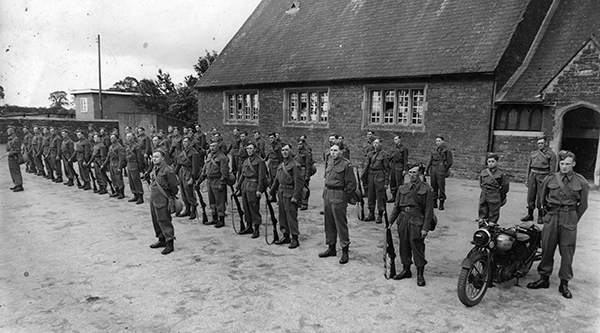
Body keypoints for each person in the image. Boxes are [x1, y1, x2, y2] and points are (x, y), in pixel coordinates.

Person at [527, 151, 589, 299]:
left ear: (573, 164)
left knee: (567, 251)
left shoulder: (581, 182)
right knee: (547, 247)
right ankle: (544, 278)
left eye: (567, 164)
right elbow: (541, 200)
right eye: (562, 164)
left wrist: (573, 219)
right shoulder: (550, 179)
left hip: (569, 217)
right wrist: (546, 216)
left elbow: (583, 205)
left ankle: (564, 282)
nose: (564, 167)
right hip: (552, 216)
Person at [388, 163, 434, 286]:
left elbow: (429, 211)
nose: (412, 175)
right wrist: (390, 222)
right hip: (403, 219)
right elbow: (396, 206)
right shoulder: (403, 188)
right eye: (410, 172)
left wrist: (425, 228)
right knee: (404, 244)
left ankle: (420, 274)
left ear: (420, 174)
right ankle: (406, 269)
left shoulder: (426, 189)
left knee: (417, 247)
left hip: (417, 220)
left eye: (415, 172)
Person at [319, 144, 357, 264]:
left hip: (339, 195)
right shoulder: (330, 162)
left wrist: (344, 196)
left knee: (340, 224)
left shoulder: (346, 164)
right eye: (331, 150)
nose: (332, 153)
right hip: (328, 194)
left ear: (341, 152)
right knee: (328, 222)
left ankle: (345, 250)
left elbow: (351, 184)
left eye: (335, 150)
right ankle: (331, 247)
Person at [269, 143, 303, 248]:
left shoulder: (295, 165)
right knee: (282, 215)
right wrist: (271, 192)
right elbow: (276, 180)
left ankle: (295, 238)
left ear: (290, 151)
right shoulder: (281, 165)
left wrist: (296, 197)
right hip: (281, 193)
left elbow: (299, 183)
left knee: (291, 216)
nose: (284, 152)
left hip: (290, 193)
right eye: (283, 150)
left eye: (287, 150)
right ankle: (285, 235)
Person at [148, 150, 179, 255]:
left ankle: (170, 243)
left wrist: (170, 197)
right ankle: (161, 239)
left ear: (163, 158)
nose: (154, 159)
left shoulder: (167, 170)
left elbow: (174, 186)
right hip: (154, 198)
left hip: (162, 199)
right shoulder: (155, 168)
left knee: (164, 220)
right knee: (156, 220)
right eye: (153, 157)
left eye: (157, 157)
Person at [235, 142, 268, 238]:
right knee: (245, 207)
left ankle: (256, 228)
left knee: (253, 207)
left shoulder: (259, 161)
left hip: (254, 185)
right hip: (245, 185)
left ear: (255, 149)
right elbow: (242, 175)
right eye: (247, 149)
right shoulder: (246, 161)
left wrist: (259, 190)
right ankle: (249, 226)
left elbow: (262, 177)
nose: (248, 150)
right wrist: (238, 187)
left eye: (250, 148)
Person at [522, 137, 557, 224]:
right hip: (533, 175)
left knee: (541, 196)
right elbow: (528, 167)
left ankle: (541, 216)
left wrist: (550, 181)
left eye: (542, 143)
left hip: (543, 175)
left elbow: (552, 170)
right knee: (531, 195)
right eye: (539, 143)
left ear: (546, 144)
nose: (540, 145)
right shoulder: (533, 153)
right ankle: (530, 214)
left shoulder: (551, 155)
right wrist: (527, 179)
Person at [199, 140, 230, 228]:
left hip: (217, 180)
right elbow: (205, 170)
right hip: (210, 181)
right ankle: (214, 218)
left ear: (218, 147)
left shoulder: (222, 158)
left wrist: (222, 183)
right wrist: (199, 181)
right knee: (212, 200)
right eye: (211, 146)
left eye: (214, 146)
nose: (212, 148)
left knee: (219, 201)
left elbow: (224, 172)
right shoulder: (209, 156)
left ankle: (221, 219)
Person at [363, 138, 390, 223]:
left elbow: (387, 169)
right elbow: (366, 166)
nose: (375, 145)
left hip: (380, 175)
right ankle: (371, 214)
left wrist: (386, 182)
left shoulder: (383, 154)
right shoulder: (370, 154)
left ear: (381, 144)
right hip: (371, 175)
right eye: (374, 143)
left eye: (377, 143)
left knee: (380, 196)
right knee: (370, 196)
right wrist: (363, 177)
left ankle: (380, 215)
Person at [478, 153, 509, 224]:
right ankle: (482, 230)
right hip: (484, 195)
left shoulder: (500, 174)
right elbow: (481, 183)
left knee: (493, 213)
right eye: (489, 162)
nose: (490, 164)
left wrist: (499, 195)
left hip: (494, 195)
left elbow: (505, 186)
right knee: (482, 212)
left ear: (497, 162)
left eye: (493, 161)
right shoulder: (484, 172)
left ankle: (492, 228)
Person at [175, 136, 200, 219]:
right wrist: (174, 173)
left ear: (190, 143)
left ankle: (193, 210)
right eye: (183, 141)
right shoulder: (183, 152)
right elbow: (179, 164)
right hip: (182, 172)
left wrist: (192, 178)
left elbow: (195, 167)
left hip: (189, 173)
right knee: (183, 192)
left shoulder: (194, 153)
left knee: (189, 192)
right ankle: (187, 210)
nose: (184, 143)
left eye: (186, 141)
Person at [426, 136, 453, 210]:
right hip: (433, 168)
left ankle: (441, 202)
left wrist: (444, 169)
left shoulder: (446, 150)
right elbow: (430, 160)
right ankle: (434, 202)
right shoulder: (434, 150)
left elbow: (450, 162)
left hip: (441, 168)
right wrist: (426, 169)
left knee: (441, 185)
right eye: (436, 141)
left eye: (439, 141)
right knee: (433, 185)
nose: (437, 142)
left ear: (443, 141)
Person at [125, 132, 146, 203]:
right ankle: (135, 195)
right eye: (127, 137)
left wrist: (140, 165)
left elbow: (140, 157)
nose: (128, 138)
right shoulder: (128, 146)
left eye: (130, 136)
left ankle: (140, 196)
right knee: (131, 180)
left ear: (133, 137)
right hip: (129, 164)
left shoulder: (136, 146)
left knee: (136, 180)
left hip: (134, 164)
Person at [103, 134, 126, 199]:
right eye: (111, 138)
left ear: (116, 138)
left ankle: (121, 193)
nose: (111, 139)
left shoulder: (119, 147)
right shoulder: (110, 147)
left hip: (117, 163)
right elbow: (108, 157)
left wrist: (119, 167)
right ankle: (117, 191)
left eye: (113, 138)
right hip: (111, 164)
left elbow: (121, 158)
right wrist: (104, 164)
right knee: (113, 178)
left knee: (119, 179)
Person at [295, 138, 314, 210]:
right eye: (298, 144)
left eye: (300, 144)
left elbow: (308, 165)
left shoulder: (307, 153)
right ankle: (299, 202)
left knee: (304, 189)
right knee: (298, 187)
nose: (299, 146)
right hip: (298, 171)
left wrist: (307, 175)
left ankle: (304, 203)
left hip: (304, 171)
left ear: (303, 144)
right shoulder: (298, 153)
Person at [388, 134, 409, 202]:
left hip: (399, 165)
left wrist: (405, 169)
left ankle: (400, 197)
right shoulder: (393, 148)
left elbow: (405, 159)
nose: (395, 141)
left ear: (400, 140)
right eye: (394, 139)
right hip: (393, 165)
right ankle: (393, 196)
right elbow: (390, 157)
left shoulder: (403, 148)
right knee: (392, 181)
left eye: (396, 139)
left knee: (399, 182)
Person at [5, 125, 24, 192]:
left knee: (16, 171)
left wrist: (10, 153)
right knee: (12, 171)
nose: (7, 132)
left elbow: (18, 150)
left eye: (9, 130)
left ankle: (19, 185)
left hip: (15, 158)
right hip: (11, 158)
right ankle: (16, 184)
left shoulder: (16, 140)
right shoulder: (10, 139)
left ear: (12, 131)